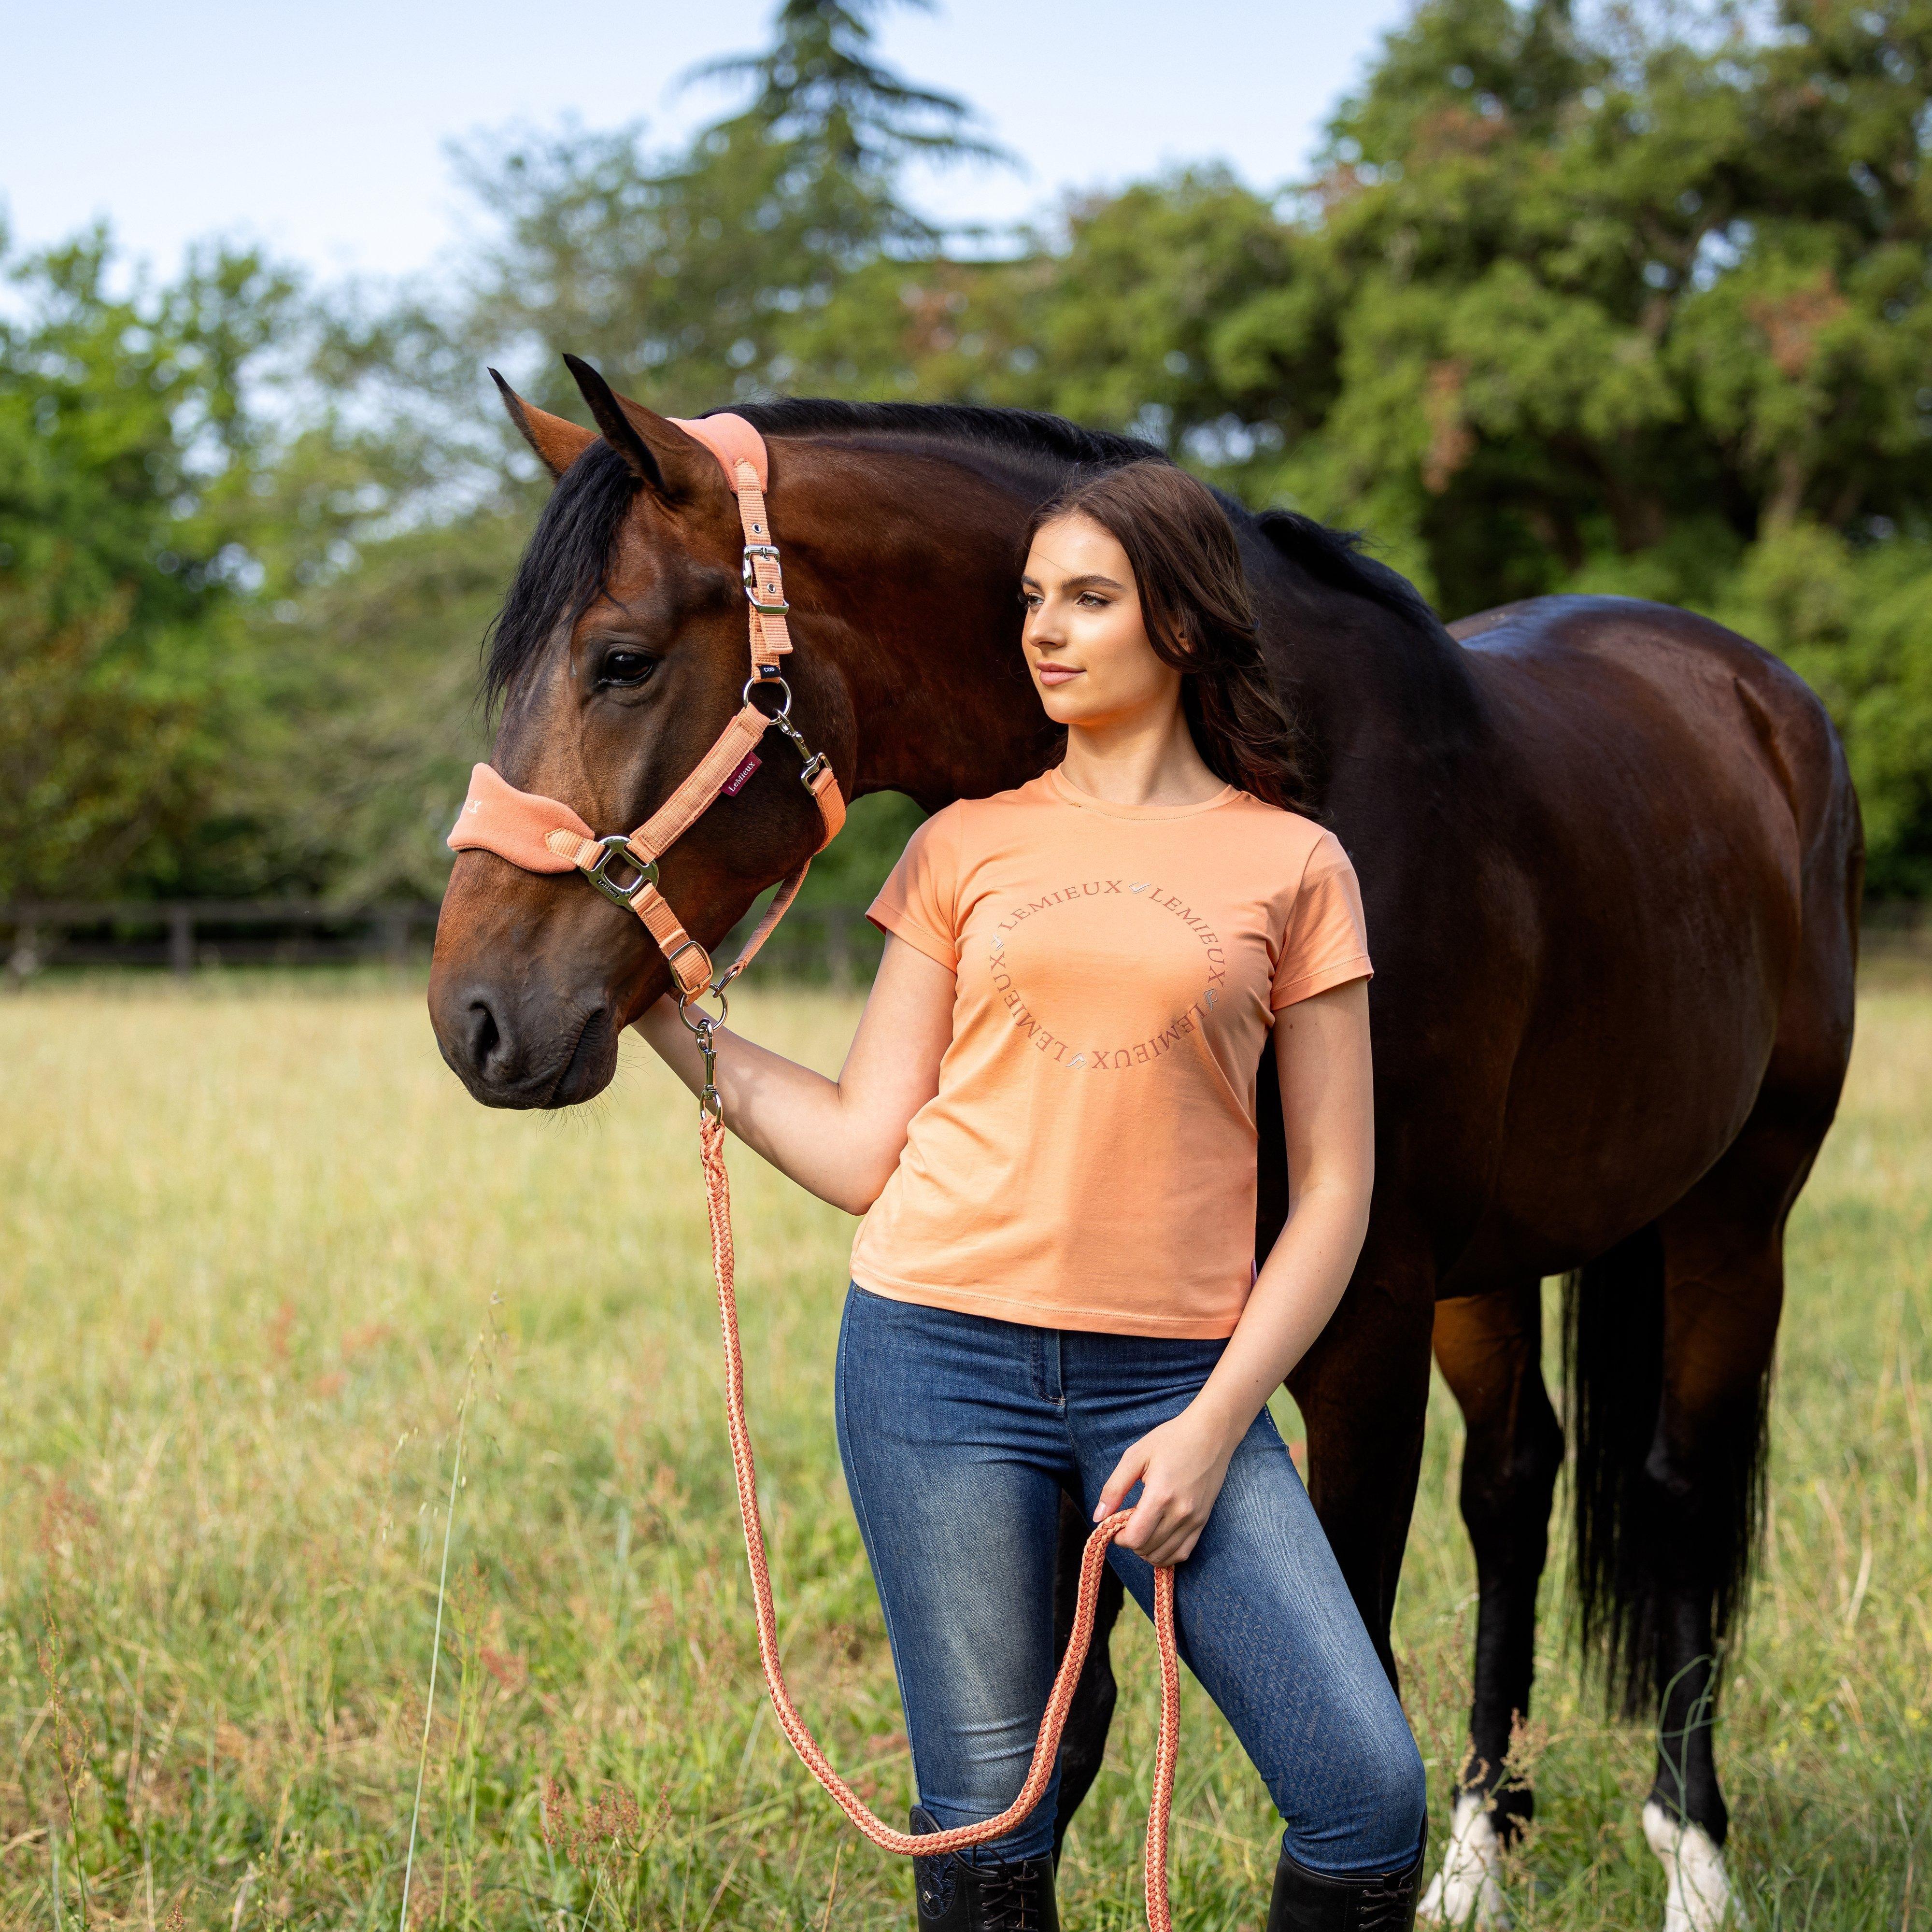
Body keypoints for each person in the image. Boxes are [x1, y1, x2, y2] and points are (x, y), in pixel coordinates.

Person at [638, 460, 1427, 1932]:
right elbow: (870, 1147)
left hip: (1178, 1380)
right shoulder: (963, 844)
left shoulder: (1296, 864)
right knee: (992, 1822)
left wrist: (1211, 1429)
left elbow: (1335, 1194)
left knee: (1368, 1795)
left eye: (1088, 599)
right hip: (935, 1359)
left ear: (1182, 625)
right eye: (1031, 601)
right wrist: (669, 1021)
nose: (1044, 632)